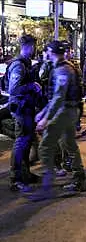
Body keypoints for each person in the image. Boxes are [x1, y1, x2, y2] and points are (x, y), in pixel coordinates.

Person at [32, 40, 86, 200]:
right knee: (69, 144)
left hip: (64, 112)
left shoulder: (62, 70)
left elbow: (58, 97)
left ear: (52, 52)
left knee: (45, 147)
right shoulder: (65, 67)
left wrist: (45, 119)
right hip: (68, 111)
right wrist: (43, 112)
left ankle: (47, 185)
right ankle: (79, 179)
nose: (45, 53)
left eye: (47, 51)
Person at [7, 35, 41, 192]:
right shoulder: (19, 65)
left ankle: (25, 174)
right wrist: (31, 86)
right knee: (21, 144)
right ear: (28, 46)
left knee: (26, 143)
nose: (35, 49)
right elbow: (14, 89)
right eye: (34, 46)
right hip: (21, 110)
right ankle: (15, 178)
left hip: (27, 109)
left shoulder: (26, 64)